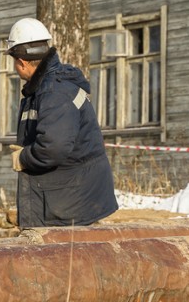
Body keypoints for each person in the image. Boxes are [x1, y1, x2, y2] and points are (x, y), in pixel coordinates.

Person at [6, 18, 118, 227]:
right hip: (67, 197)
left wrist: (24, 157)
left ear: (21, 62)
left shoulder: (53, 91)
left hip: (69, 204)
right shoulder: (46, 88)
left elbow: (53, 148)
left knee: (59, 258)